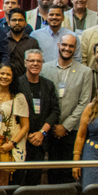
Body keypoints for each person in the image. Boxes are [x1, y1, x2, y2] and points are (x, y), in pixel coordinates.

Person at [40, 34, 93, 184]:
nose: (67, 48)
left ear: (75, 49)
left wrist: (65, 126)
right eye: (64, 45)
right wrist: (52, 124)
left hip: (72, 130)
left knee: (67, 171)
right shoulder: (45, 69)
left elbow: (84, 102)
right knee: (51, 171)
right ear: (58, 45)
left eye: (71, 46)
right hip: (49, 128)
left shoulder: (85, 72)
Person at [14, 49, 61, 186]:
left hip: (39, 141)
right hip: (20, 139)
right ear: (25, 63)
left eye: (38, 61)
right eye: (32, 60)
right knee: (16, 179)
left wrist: (42, 132)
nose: (35, 63)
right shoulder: (17, 84)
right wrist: (25, 133)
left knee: (34, 180)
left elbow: (55, 111)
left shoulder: (48, 85)